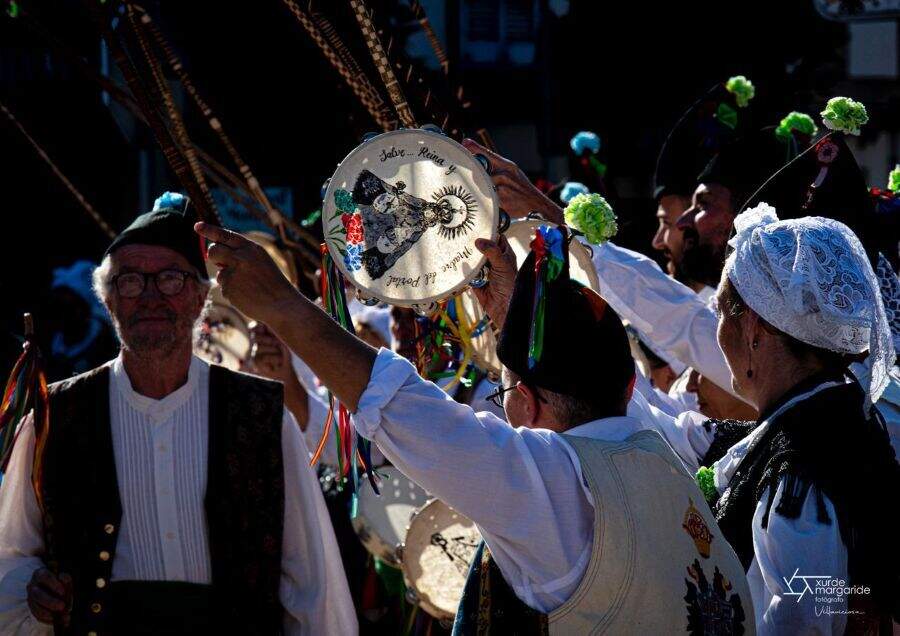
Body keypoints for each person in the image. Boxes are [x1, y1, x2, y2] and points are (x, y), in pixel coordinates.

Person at [196, 220, 754, 634]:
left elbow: (405, 405)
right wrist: (519, 315)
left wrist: (282, 307)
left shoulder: (552, 483)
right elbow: (609, 401)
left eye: (510, 391)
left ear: (526, 406)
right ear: (630, 384)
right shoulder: (665, 454)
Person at [0, 193, 356, 635]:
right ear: (108, 301)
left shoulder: (262, 415)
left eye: (170, 279)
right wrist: (32, 593)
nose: (150, 296)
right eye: (130, 281)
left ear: (201, 299)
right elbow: (10, 559)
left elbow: (311, 582)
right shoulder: (54, 416)